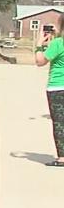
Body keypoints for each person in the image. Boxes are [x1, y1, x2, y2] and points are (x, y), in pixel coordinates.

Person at [35, 22, 64, 167]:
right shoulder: (57, 42)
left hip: (58, 86)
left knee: (60, 122)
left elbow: (40, 61)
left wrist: (40, 44)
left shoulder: (58, 43)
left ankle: (62, 157)